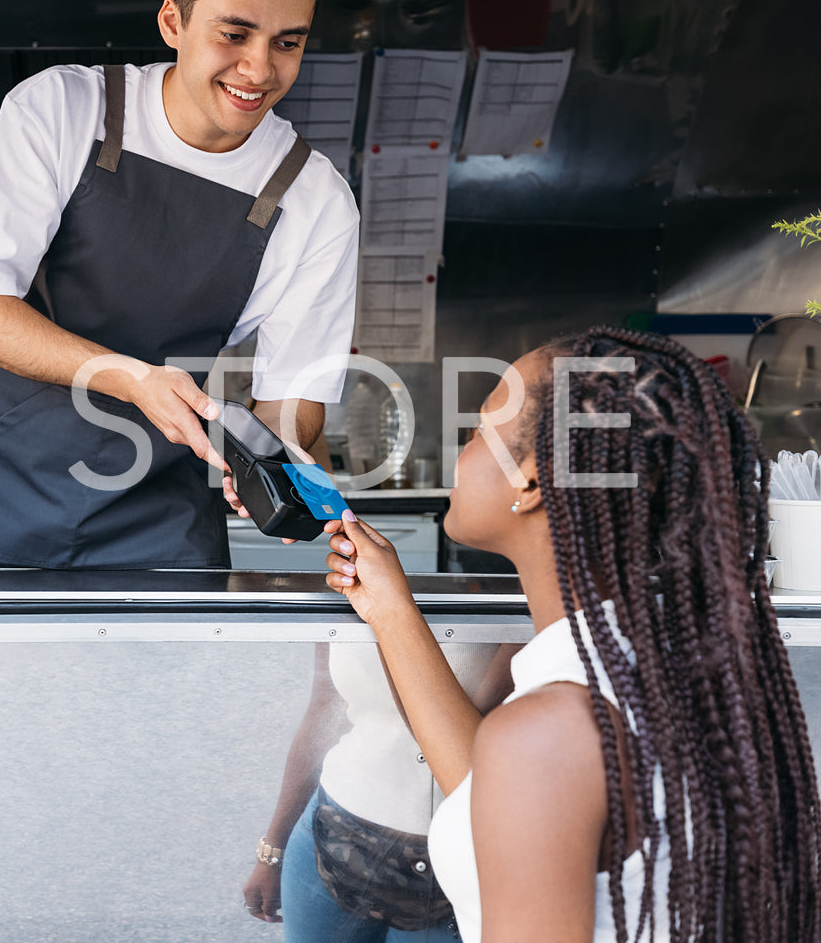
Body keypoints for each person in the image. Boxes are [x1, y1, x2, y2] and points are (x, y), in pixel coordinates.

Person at [323, 326, 821, 942]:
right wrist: (393, 610)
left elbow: (529, 766)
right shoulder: (659, 670)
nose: (463, 449)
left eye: (479, 431)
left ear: (530, 479)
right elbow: (499, 798)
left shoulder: (551, 732)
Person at [0, 0, 358, 568]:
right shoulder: (66, 109)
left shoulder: (316, 199)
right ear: (173, 23)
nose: (260, 70)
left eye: (287, 43)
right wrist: (134, 381)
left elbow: (293, 395)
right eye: (234, 34)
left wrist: (274, 470)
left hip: (165, 531)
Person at [243, 641, 512, 941]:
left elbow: (452, 736)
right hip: (328, 837)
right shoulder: (350, 594)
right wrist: (273, 851)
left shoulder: (511, 601)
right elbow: (323, 713)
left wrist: (386, 607)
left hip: (452, 865)